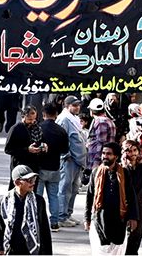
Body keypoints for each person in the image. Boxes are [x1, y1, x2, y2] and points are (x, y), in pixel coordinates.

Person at [84, 142, 138, 255]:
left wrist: (133, 217)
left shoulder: (124, 173)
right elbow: (90, 196)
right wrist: (87, 218)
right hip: (99, 219)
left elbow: (131, 196)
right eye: (103, 153)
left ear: (116, 156)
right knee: (99, 252)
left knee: (117, 251)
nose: (105, 156)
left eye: (108, 154)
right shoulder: (96, 172)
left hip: (118, 220)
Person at [0, 165, 53, 255]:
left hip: (33, 251)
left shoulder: (38, 201)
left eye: (34, 179)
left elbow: (44, 229)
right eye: (29, 180)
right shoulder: (4, 202)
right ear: (17, 183)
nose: (33, 183)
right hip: (12, 250)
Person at [36, 103, 69, 231]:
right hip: (55, 167)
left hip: (40, 167)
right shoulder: (61, 131)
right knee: (54, 196)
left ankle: (38, 220)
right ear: (56, 114)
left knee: (38, 196)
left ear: (43, 114)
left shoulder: (38, 128)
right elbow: (65, 150)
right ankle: (54, 222)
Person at [56, 95, 86, 228]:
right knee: (65, 188)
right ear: (67, 106)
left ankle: (68, 213)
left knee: (73, 189)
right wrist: (66, 155)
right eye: (74, 105)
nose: (77, 107)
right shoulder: (64, 119)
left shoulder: (74, 119)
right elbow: (62, 138)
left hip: (77, 160)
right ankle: (61, 216)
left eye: (78, 105)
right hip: (69, 160)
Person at [5, 106, 45, 187]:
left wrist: (43, 145)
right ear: (23, 117)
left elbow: (41, 140)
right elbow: (8, 149)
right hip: (20, 167)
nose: (32, 122)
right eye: (30, 119)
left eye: (34, 119)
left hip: (34, 166)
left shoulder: (37, 128)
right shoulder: (15, 129)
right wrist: (27, 150)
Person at [87, 98, 117, 173]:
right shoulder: (109, 121)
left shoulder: (100, 122)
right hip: (107, 160)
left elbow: (101, 144)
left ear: (91, 111)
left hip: (100, 163)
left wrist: (96, 163)